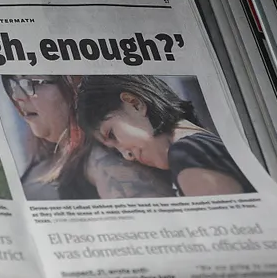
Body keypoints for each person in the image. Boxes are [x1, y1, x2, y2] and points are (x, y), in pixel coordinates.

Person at [75, 75, 255, 196]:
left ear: (135, 104)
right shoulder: (198, 145)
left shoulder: (187, 153)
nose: (126, 155)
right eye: (115, 149)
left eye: (112, 134)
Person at [3, 74, 174, 200]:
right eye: (13, 83)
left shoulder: (102, 158)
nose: (17, 96)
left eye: (33, 83)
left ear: (75, 86)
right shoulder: (48, 153)